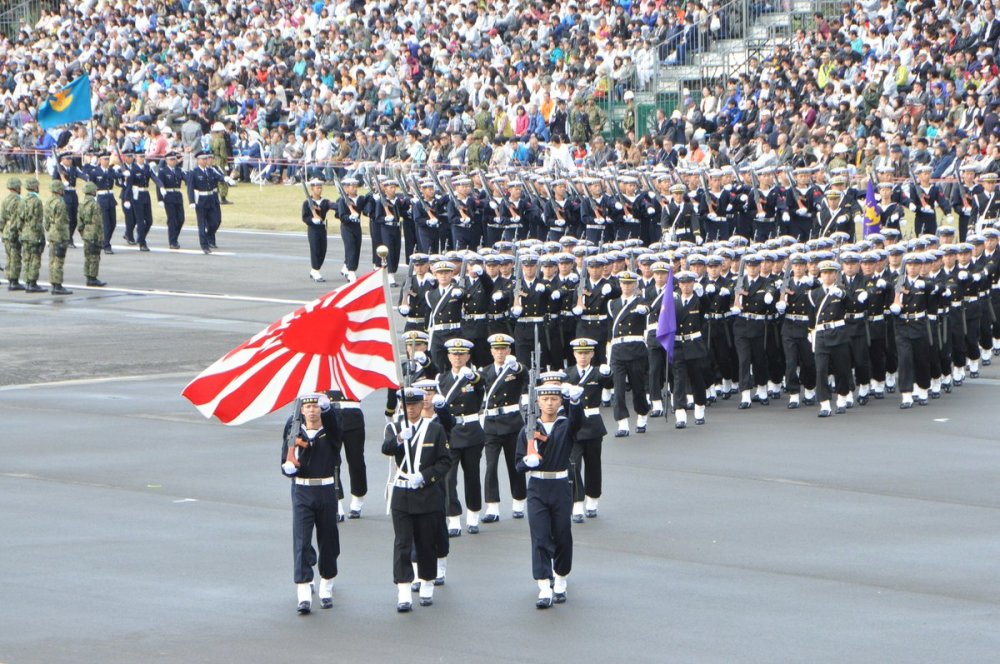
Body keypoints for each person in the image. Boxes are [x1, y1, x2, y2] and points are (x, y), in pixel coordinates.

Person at [515, 380, 585, 609]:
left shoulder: (565, 425)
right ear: (537, 402)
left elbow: (579, 423)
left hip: (560, 485)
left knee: (562, 533)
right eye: (545, 399)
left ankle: (561, 577)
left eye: (554, 399)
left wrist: (576, 401)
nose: (549, 403)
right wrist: (527, 461)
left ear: (560, 401)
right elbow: (518, 465)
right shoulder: (528, 430)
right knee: (540, 536)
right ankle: (544, 585)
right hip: (537, 486)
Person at [383, 387, 451, 612]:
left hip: (426, 493)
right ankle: (403, 589)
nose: (410, 408)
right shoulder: (394, 427)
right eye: (407, 405)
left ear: (423, 405)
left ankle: (427, 583)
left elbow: (444, 462)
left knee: (426, 541)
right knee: (402, 543)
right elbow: (386, 448)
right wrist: (400, 439)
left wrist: (424, 476)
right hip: (402, 494)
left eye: (414, 404)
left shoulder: (435, 430)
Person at [279, 394, 343, 615]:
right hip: (302, 490)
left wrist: (328, 408)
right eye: (308, 406)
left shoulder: (331, 432)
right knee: (302, 540)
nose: (312, 410)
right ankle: (304, 590)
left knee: (328, 540)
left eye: (316, 406)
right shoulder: (294, 430)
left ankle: (326, 585)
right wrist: (287, 468)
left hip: (325, 489)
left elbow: (335, 424)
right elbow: (283, 459)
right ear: (302, 410)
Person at [434, 338, 485, 535]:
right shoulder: (441, 379)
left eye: (462, 354)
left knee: (472, 476)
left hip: (471, 431)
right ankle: (453, 518)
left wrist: (471, 375)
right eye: (454, 354)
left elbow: (482, 383)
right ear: (448, 356)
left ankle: (473, 515)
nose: (458, 357)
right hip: (450, 433)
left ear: (468, 357)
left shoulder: (473, 377)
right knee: (449, 478)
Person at [480, 333, 527, 523]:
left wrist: (516, 367)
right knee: (490, 467)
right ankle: (492, 507)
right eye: (496, 349)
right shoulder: (485, 372)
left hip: (512, 422)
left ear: (509, 351)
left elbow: (525, 374)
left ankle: (518, 502)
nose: (500, 352)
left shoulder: (514, 370)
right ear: (491, 351)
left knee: (514, 465)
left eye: (503, 349)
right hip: (491, 424)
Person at [564, 338, 611, 521]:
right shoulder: (567, 374)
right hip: (574, 424)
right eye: (579, 353)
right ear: (574, 354)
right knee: (573, 465)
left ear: (592, 354)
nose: (582, 356)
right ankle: (577, 503)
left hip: (592, 424)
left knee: (593, 465)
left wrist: (609, 373)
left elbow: (608, 383)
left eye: (586, 353)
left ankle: (593, 500)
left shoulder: (597, 373)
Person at [607, 270, 651, 436]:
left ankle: (642, 415)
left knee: (638, 388)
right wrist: (607, 350)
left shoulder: (641, 301)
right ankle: (622, 424)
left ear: (635, 285)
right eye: (624, 283)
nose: (626, 286)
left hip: (635, 349)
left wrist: (644, 309)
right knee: (618, 389)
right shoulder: (613, 304)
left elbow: (648, 308)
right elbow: (609, 328)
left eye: (630, 283)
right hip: (618, 350)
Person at [325, 389, 367, 520]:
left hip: (352, 412)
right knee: (332, 461)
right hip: (331, 412)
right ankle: (337, 502)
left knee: (356, 461)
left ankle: (358, 498)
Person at [187, 150, 226, 254]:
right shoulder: (194, 172)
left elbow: (219, 177)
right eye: (203, 159)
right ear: (198, 161)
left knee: (214, 222)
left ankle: (208, 237)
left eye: (206, 159)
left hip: (211, 199)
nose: (205, 161)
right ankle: (204, 246)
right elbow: (190, 188)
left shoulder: (210, 170)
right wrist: (191, 201)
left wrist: (227, 178)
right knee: (202, 224)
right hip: (201, 200)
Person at [333, 177, 371, 282]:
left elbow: (366, 204)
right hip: (347, 228)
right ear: (346, 188)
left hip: (357, 227)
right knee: (351, 248)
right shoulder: (342, 201)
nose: (355, 188)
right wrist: (349, 217)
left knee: (357, 248)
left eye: (355, 186)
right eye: (352, 187)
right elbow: (341, 216)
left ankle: (347, 267)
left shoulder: (360, 199)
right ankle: (351, 271)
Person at [301, 179, 335, 282]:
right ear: (312, 189)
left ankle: (315, 269)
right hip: (313, 229)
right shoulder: (307, 203)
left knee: (322, 250)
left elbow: (332, 205)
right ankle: (316, 271)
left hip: (322, 228)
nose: (319, 190)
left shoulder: (324, 202)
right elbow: (305, 217)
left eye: (320, 188)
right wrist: (312, 220)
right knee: (315, 249)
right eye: (317, 188)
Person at [153, 151, 187, 250]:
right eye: (171, 159)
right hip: (168, 196)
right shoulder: (163, 171)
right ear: (166, 160)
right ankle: (172, 241)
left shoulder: (179, 170)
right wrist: (160, 199)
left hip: (177, 196)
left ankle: (175, 237)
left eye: (174, 159)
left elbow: (186, 179)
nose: (173, 161)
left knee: (181, 219)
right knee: (172, 219)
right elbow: (159, 185)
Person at [44, 180, 72, 295]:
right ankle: (57, 285)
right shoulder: (60, 203)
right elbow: (60, 221)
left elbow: (46, 220)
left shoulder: (49, 201)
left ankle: (53, 282)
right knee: (58, 261)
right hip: (59, 235)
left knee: (52, 260)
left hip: (51, 233)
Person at [19, 177, 46, 293]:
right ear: (35, 186)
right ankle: (33, 282)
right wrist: (41, 235)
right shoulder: (37, 201)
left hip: (25, 233)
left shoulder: (22, 200)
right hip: (34, 234)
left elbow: (20, 217)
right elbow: (38, 220)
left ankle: (27, 281)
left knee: (26, 258)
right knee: (35, 258)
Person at [78, 182, 107, 287]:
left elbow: (79, 223)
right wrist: (101, 237)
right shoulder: (94, 205)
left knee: (88, 257)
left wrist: (83, 233)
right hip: (94, 233)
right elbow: (98, 222)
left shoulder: (81, 204)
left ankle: (88, 276)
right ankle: (93, 278)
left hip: (86, 233)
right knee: (94, 257)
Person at [2, 177, 24, 290]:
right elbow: (18, 219)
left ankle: (10, 278)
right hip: (14, 232)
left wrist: (3, 231)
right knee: (15, 257)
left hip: (6, 232)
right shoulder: (19, 201)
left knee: (9, 257)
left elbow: (2, 218)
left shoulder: (5, 200)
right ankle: (14, 281)